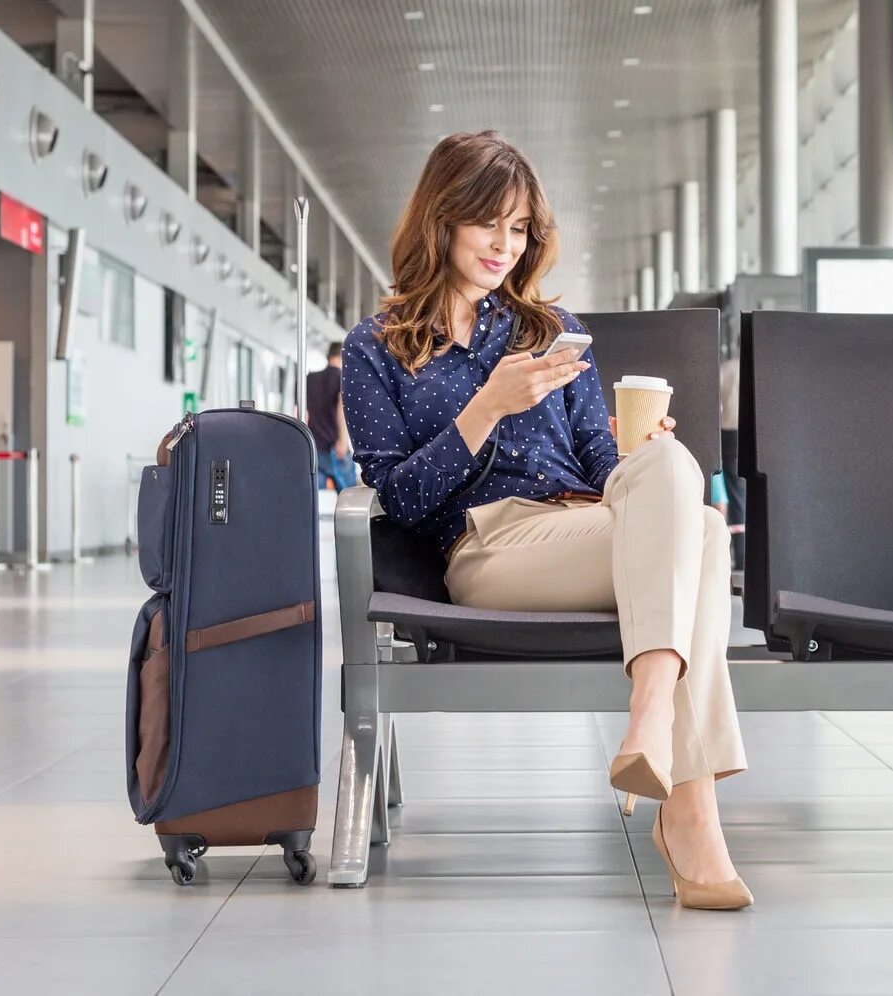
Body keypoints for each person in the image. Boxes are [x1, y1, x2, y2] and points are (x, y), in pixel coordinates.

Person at [340, 131, 750, 910]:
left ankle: (653, 716)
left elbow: (602, 461)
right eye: (487, 221)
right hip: (486, 547)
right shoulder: (377, 346)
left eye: (520, 227)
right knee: (694, 533)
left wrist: (644, 455)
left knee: (675, 478)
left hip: (587, 531)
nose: (504, 243)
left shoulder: (546, 329)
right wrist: (487, 406)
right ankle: (687, 807)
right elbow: (398, 499)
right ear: (442, 219)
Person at [305, 342, 356, 490]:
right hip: (335, 447)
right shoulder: (341, 377)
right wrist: (342, 440)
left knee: (315, 500)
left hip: (314, 446)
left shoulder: (309, 379)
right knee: (350, 499)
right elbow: (342, 407)